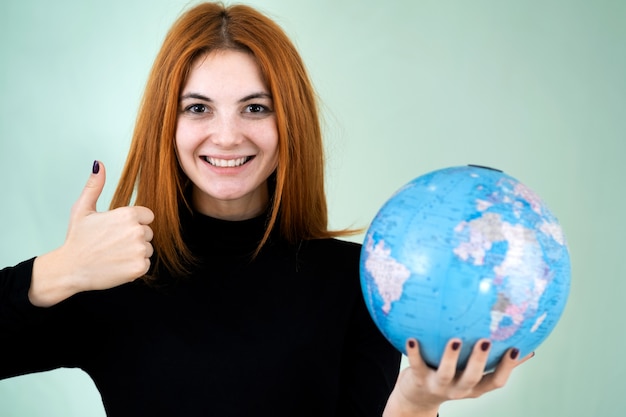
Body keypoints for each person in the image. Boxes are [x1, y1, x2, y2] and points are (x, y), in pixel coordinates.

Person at [0, 2, 531, 416]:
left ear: (289, 123)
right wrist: (57, 271)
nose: (227, 136)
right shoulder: (111, 275)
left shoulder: (361, 281)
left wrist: (416, 405)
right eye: (197, 108)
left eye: (255, 108)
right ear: (168, 123)